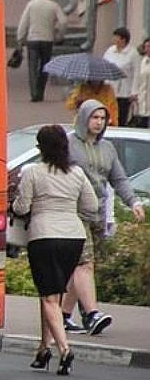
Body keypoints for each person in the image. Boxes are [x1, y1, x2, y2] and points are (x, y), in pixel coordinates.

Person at [12, 125, 98, 376]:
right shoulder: (77, 173)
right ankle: (43, 348)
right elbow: (91, 205)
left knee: (49, 296)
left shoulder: (33, 173)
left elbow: (21, 207)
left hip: (44, 236)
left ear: (40, 147)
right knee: (54, 294)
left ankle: (64, 349)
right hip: (73, 237)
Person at [63, 100, 146, 335]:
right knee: (84, 263)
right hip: (74, 212)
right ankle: (92, 314)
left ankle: (63, 315)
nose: (98, 122)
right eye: (94, 117)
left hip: (97, 213)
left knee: (82, 267)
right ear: (83, 118)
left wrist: (133, 202)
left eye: (102, 118)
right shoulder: (69, 145)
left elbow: (118, 179)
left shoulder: (107, 148)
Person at [16, 0, 67, 102]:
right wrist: (59, 35)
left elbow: (23, 23)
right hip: (47, 40)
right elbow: (63, 21)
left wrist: (20, 38)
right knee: (45, 66)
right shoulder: (54, 6)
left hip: (32, 39)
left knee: (32, 67)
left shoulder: (31, 5)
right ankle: (40, 92)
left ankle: (34, 93)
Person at [102, 27, 140, 126]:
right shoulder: (110, 50)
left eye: (116, 37)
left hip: (124, 92)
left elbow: (137, 73)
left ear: (123, 39)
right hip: (109, 89)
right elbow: (104, 66)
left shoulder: (133, 53)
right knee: (108, 115)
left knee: (121, 117)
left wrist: (134, 92)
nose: (113, 39)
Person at [131, 37, 150, 128]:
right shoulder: (142, 62)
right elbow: (137, 79)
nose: (147, 49)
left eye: (149, 46)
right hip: (142, 99)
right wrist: (134, 93)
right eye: (146, 47)